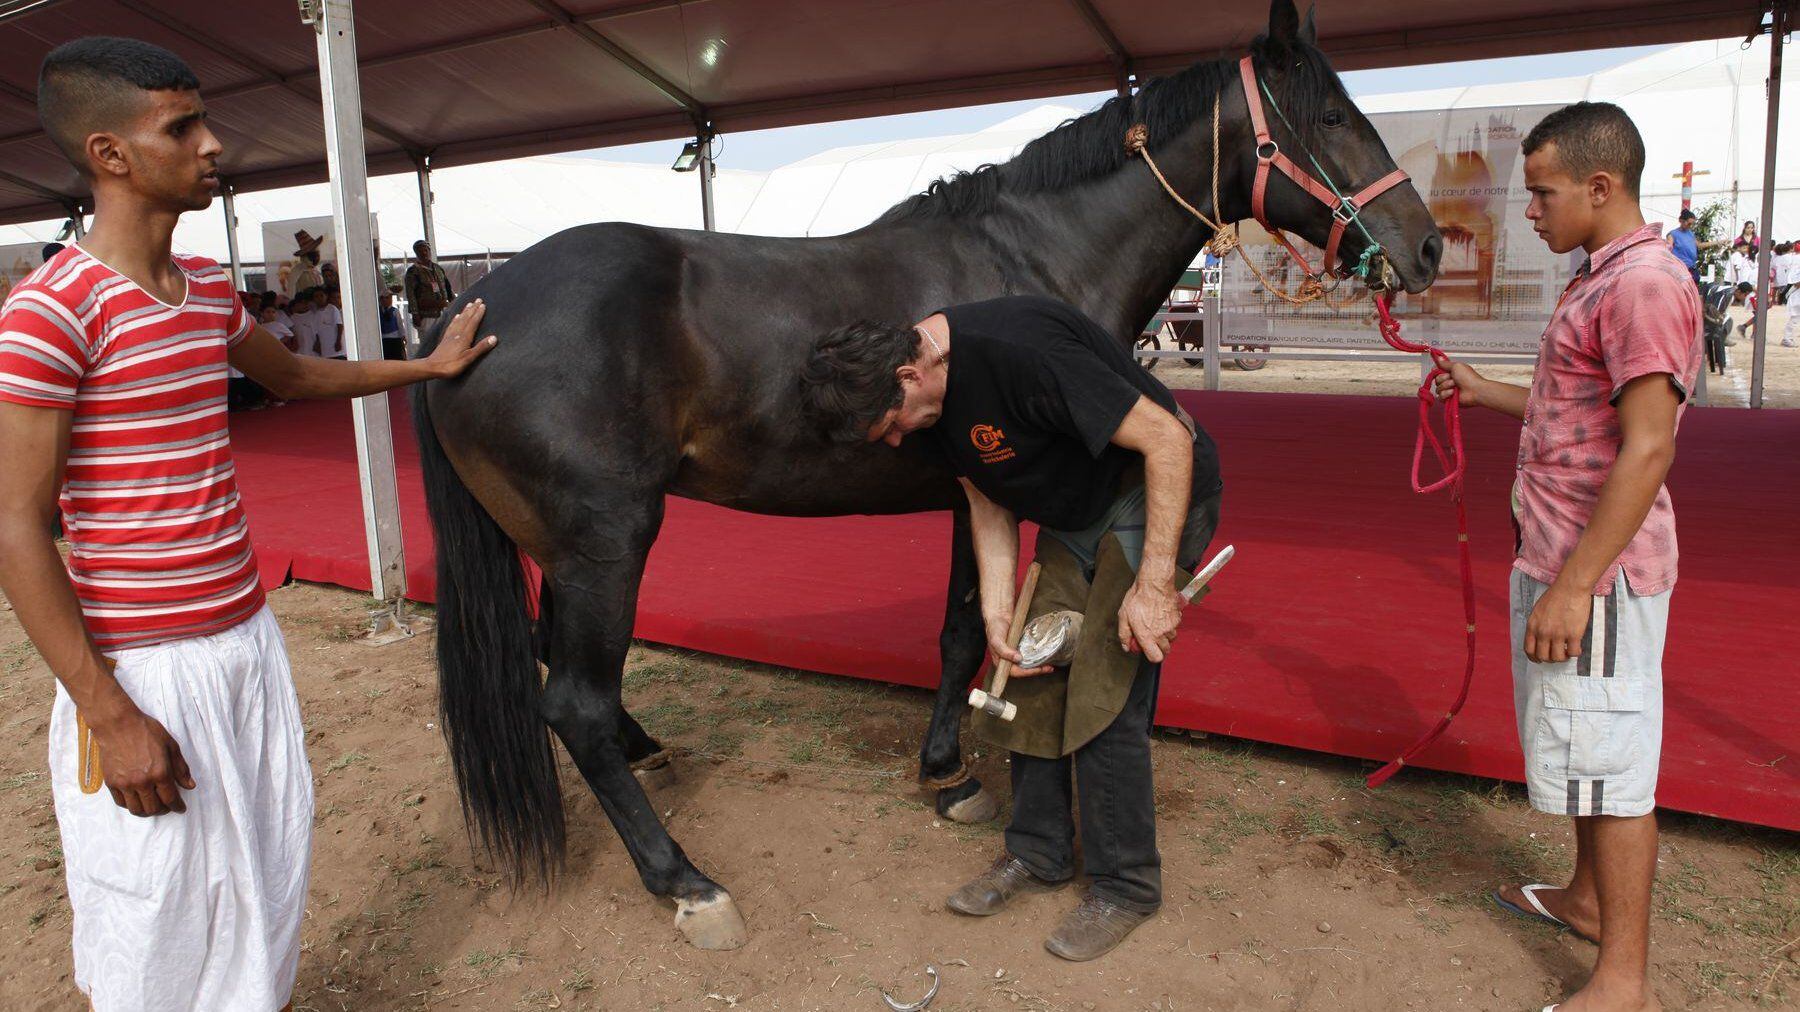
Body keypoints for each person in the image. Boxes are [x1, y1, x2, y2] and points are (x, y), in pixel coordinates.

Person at [0, 37, 499, 1012]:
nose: (213, 144)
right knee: (154, 913)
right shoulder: (50, 312)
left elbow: (300, 375)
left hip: (245, 640)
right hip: (142, 670)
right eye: (181, 128)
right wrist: (109, 711)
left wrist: (427, 371)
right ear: (110, 154)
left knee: (262, 881)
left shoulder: (204, 291)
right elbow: (16, 526)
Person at [799, 295, 1224, 961]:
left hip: (1154, 487)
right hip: (1076, 512)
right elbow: (987, 496)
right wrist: (999, 611)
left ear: (909, 377)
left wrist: (1154, 582)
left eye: (888, 425)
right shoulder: (929, 408)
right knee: (1025, 676)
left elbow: (1169, 438)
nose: (895, 440)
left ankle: (1126, 884)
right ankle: (1038, 855)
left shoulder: (1019, 354)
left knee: (1104, 693)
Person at [1434, 102, 1699, 1012]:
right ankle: (1587, 901)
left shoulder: (1644, 287)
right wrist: (1484, 393)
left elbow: (1649, 446)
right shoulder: (1603, 278)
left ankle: (1625, 985)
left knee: (1617, 769)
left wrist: (1578, 586)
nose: (1531, 211)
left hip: (1600, 575)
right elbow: (1578, 417)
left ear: (1600, 186)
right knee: (1588, 749)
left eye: (1542, 193)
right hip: (1563, 557)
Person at [1661, 208, 1724, 285]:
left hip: (1692, 268)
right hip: (1680, 270)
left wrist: (1717, 242)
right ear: (1681, 221)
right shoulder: (1672, 234)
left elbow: (1699, 245)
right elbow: (1668, 249)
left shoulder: (1690, 234)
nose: (1690, 226)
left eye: (1692, 224)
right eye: (1689, 224)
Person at [404, 239, 454, 330]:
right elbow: (410, 294)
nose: (424, 253)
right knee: (428, 341)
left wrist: (454, 305)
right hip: (426, 314)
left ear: (429, 251)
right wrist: (415, 313)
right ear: (416, 253)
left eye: (425, 250)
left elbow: (448, 288)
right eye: (420, 251)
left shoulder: (438, 269)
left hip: (442, 312)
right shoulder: (413, 271)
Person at [283, 232, 322, 299]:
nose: (317, 257)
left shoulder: (316, 270)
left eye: (318, 254)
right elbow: (291, 293)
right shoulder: (296, 271)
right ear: (306, 255)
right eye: (314, 255)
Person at [310, 285, 344, 359]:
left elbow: (340, 326)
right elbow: (317, 333)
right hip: (325, 350)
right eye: (316, 296)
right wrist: (317, 344)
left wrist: (338, 342)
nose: (319, 298)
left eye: (321, 296)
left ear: (326, 296)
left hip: (336, 350)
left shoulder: (332, 309)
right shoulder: (315, 314)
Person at [380, 288, 406, 360]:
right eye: (387, 298)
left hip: (395, 337)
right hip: (383, 338)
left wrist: (403, 335)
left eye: (390, 298)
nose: (389, 300)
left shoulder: (395, 311)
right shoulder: (378, 311)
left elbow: (400, 324)